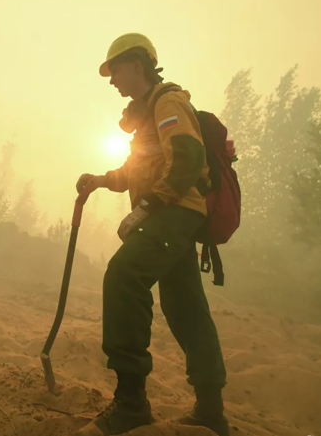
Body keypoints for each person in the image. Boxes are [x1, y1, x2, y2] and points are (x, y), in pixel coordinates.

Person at [74, 33, 230, 436]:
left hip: (176, 212)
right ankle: (211, 413)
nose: (112, 80)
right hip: (170, 215)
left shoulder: (168, 103)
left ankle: (131, 405)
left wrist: (146, 208)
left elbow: (188, 159)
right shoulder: (146, 117)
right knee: (185, 307)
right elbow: (135, 170)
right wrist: (101, 180)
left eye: (115, 70)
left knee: (124, 275)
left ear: (138, 65)